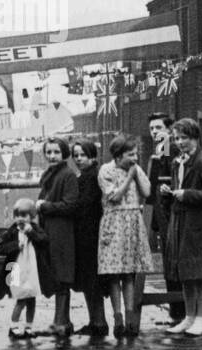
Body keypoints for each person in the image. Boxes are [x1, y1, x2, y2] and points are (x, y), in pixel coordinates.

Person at [158, 118, 202, 336]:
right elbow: (179, 189)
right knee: (185, 272)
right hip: (180, 223)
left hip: (197, 224)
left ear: (195, 138)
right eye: (176, 138)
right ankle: (189, 316)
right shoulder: (177, 162)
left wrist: (188, 194)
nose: (179, 142)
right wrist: (169, 191)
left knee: (200, 274)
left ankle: (201, 319)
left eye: (184, 137)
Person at [97, 133, 152, 338]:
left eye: (136, 154)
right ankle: (117, 317)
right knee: (114, 274)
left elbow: (146, 192)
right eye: (131, 154)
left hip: (133, 221)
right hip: (115, 221)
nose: (135, 158)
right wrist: (129, 177)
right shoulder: (106, 170)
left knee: (129, 273)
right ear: (118, 156)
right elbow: (115, 196)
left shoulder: (135, 169)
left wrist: (136, 172)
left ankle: (130, 318)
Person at [0, 197, 53, 337]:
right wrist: (15, 246)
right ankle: (13, 327)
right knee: (21, 299)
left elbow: (44, 240)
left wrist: (31, 232)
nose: (20, 219)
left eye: (24, 215)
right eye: (17, 215)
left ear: (31, 216)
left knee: (32, 299)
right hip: (17, 270)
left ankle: (29, 327)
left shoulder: (35, 229)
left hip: (32, 271)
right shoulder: (13, 231)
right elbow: (0, 248)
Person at [36, 136, 79, 337]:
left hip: (62, 232)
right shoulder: (50, 175)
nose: (52, 156)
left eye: (56, 152)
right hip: (50, 231)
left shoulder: (67, 175)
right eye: (49, 152)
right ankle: (61, 320)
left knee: (62, 277)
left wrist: (45, 206)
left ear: (64, 154)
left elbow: (70, 205)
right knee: (56, 276)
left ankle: (61, 322)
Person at [146, 113, 185, 323]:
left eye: (159, 127)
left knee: (174, 260)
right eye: (151, 128)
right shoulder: (161, 148)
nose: (154, 132)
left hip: (171, 212)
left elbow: (173, 178)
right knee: (169, 261)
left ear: (169, 129)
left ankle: (179, 309)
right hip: (162, 212)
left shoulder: (170, 147)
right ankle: (176, 309)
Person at [70, 139, 108, 337]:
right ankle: (95, 320)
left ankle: (99, 322)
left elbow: (84, 205)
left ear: (92, 156)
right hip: (88, 233)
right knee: (89, 280)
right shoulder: (87, 175)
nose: (78, 159)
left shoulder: (90, 177)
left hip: (90, 234)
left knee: (91, 279)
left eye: (82, 155)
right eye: (75, 155)